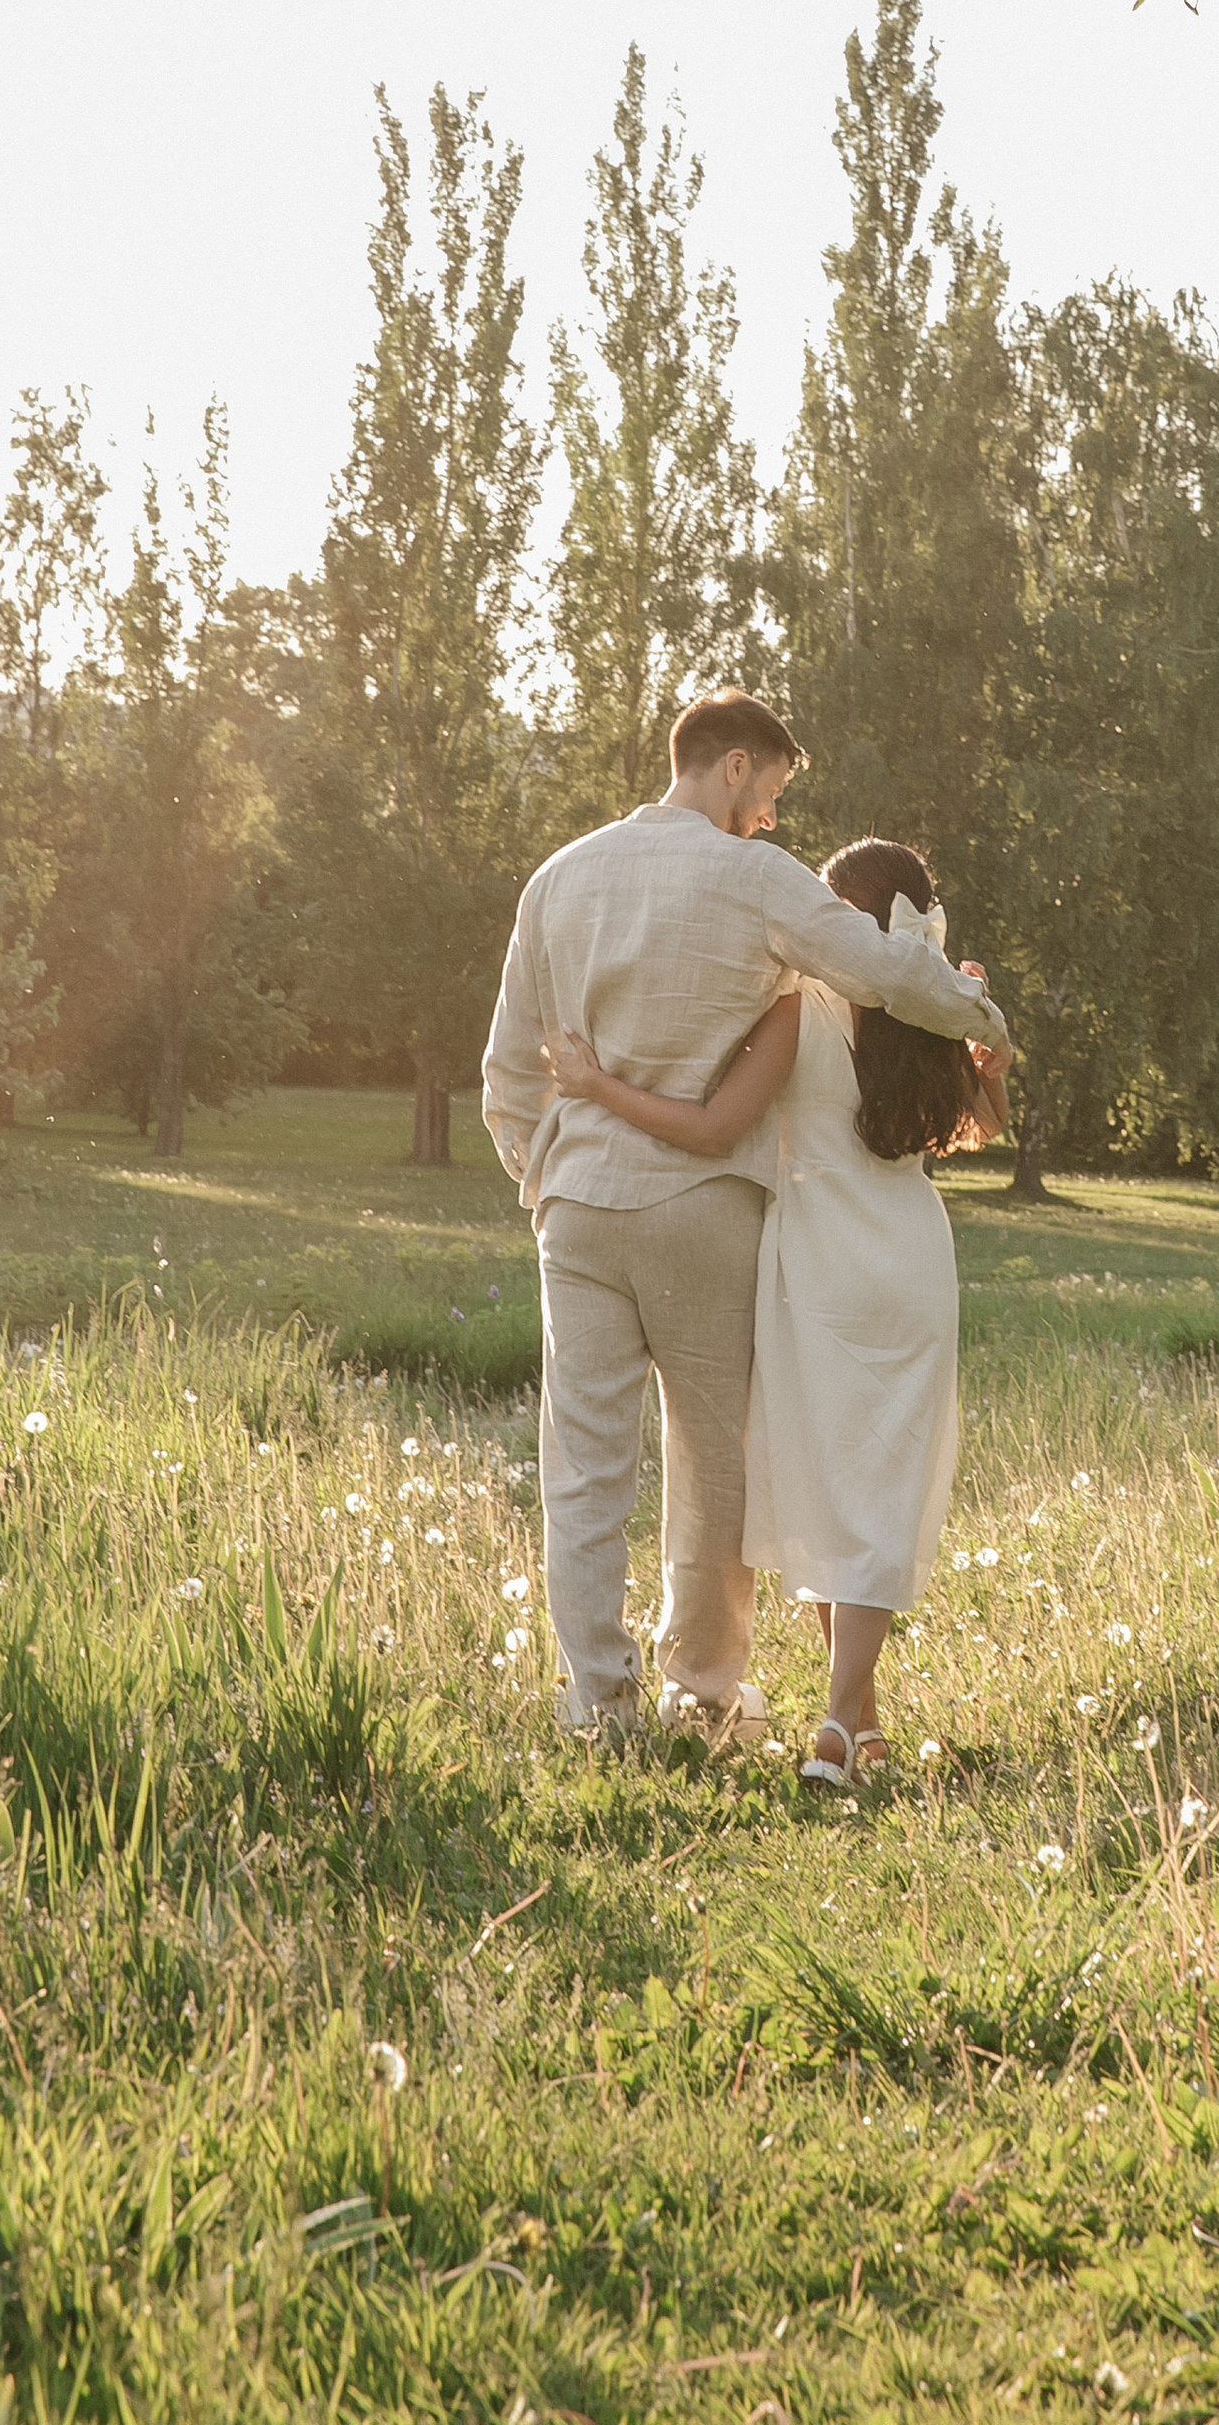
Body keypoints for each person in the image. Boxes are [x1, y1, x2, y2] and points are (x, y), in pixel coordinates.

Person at [480, 691, 1009, 1751]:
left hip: (578, 1206)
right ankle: (703, 1691)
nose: (768, 818)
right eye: (766, 794)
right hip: (700, 1205)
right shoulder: (753, 879)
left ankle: (595, 1704)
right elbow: (881, 969)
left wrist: (544, 1181)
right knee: (709, 1461)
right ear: (731, 766)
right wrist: (977, 1015)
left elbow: (507, 1068)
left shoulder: (558, 877)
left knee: (582, 1464)